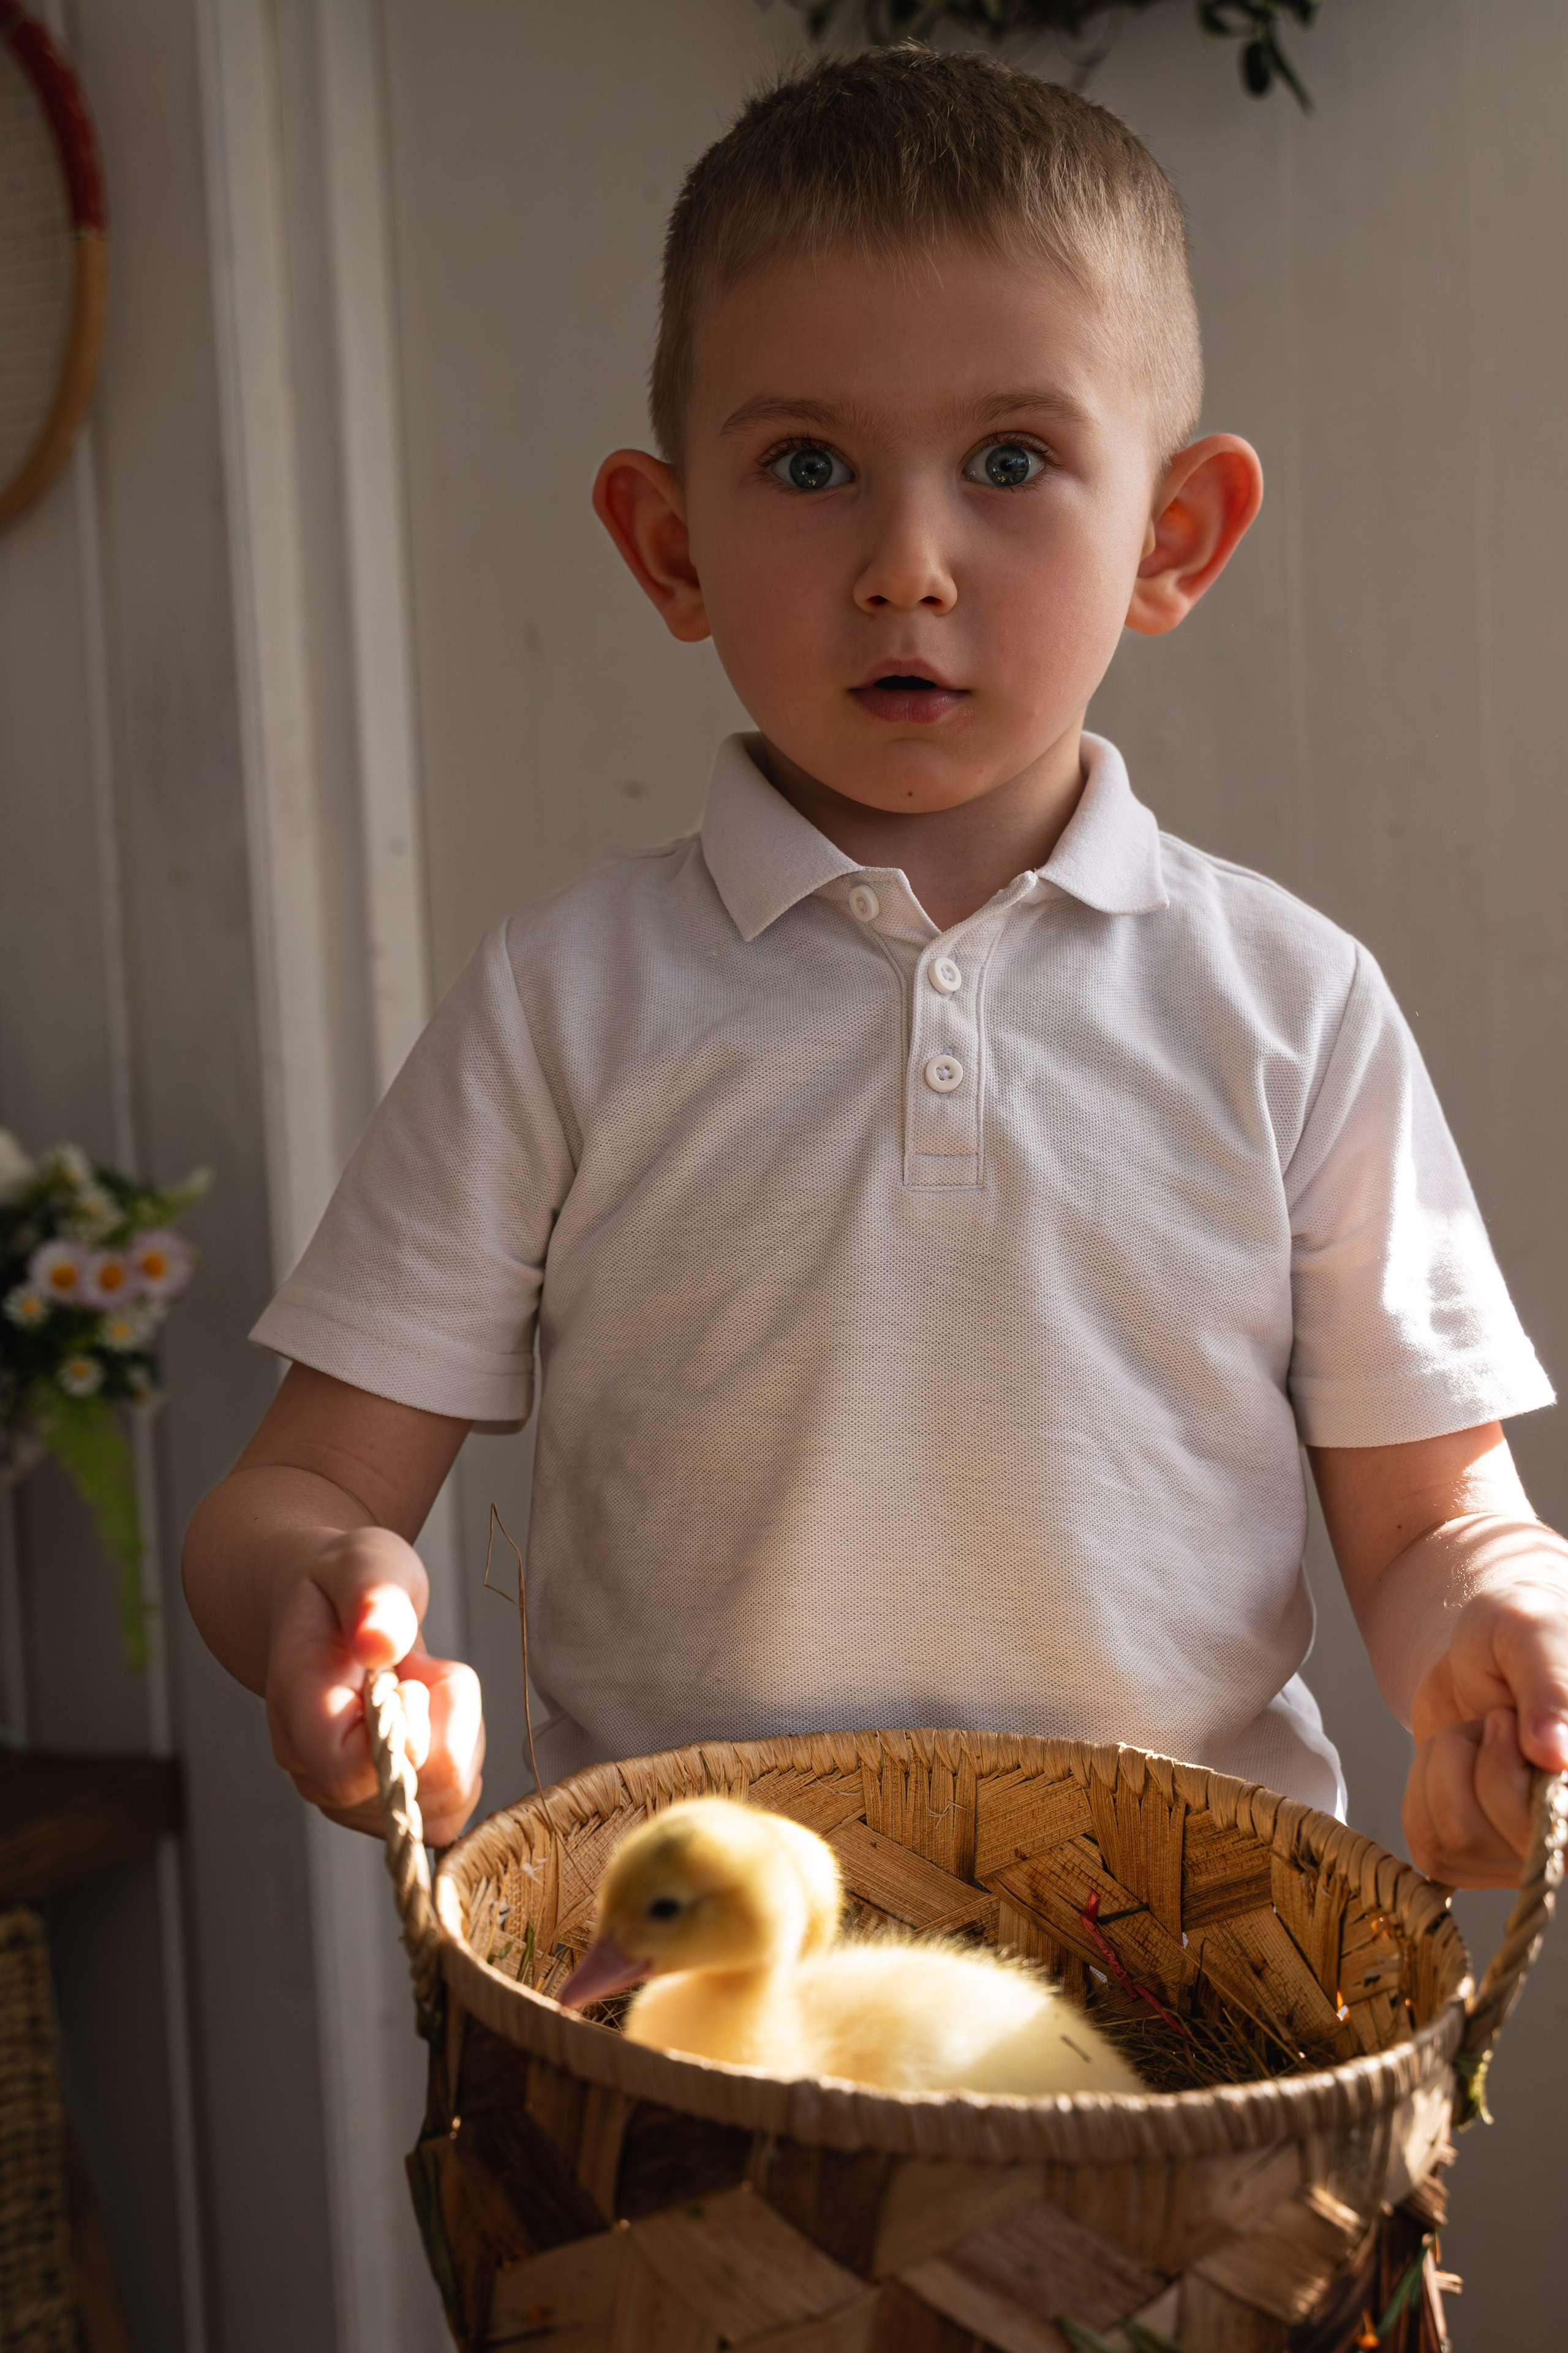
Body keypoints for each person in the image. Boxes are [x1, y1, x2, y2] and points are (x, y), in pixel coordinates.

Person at [184, 47, 1566, 1888]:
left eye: (1012, 460)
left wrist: (1501, 1630)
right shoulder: (568, 1001)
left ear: (1175, 536)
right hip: (675, 2006)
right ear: (669, 541)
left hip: (1196, 2000)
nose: (906, 563)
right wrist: (319, 1599)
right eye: (810, 464)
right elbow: (302, 1493)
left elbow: (1430, 1527)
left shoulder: (1291, 1009)